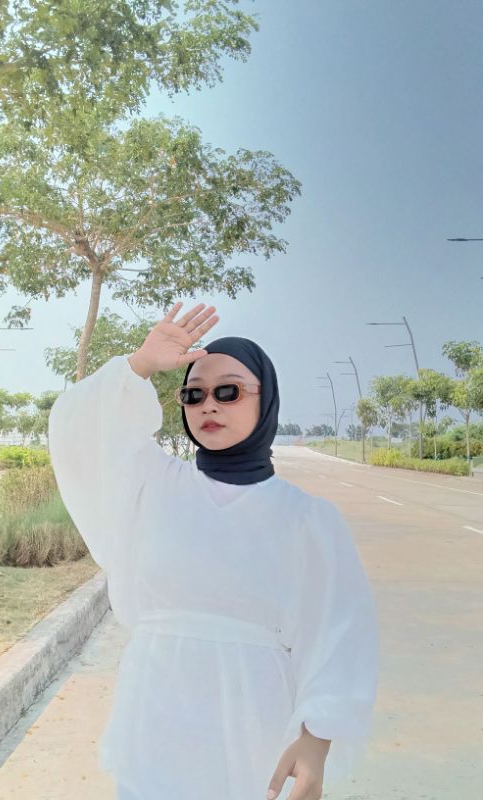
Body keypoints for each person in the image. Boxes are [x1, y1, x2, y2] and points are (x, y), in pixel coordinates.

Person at [47, 302, 379, 800]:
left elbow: (341, 633)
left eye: (229, 391)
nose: (209, 405)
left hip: (254, 727)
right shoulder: (152, 484)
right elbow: (80, 435)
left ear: (266, 401)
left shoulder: (307, 518)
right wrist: (138, 366)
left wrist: (316, 739)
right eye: (193, 393)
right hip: (153, 721)